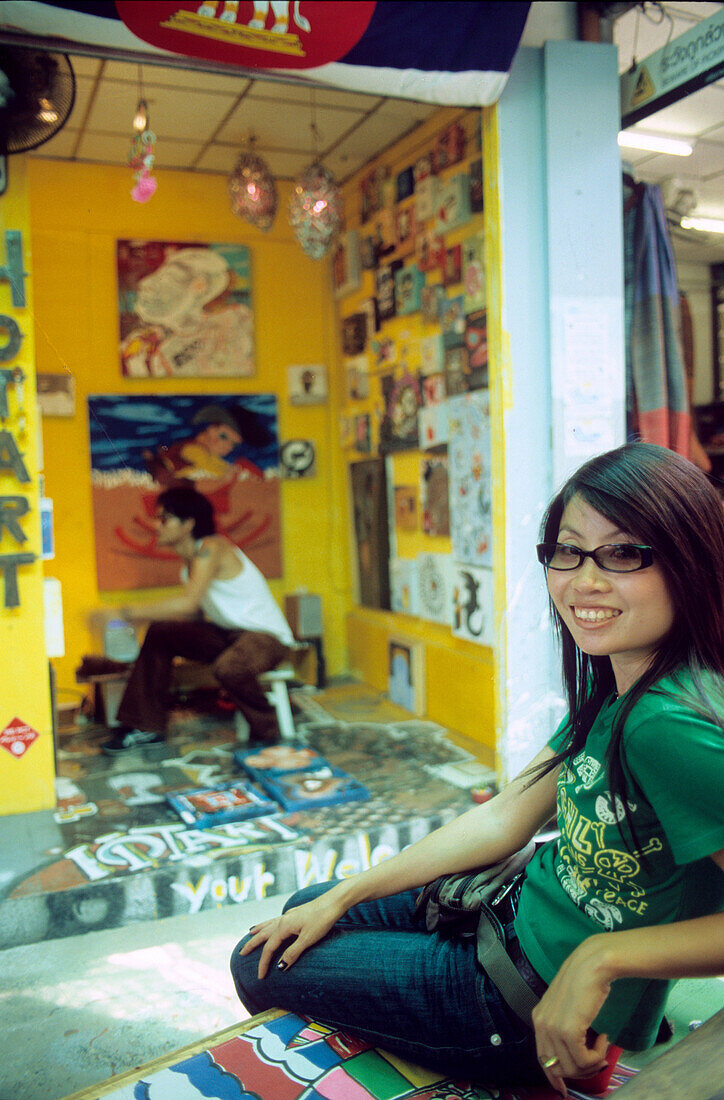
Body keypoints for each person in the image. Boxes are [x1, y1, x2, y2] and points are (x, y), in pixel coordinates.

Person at [230, 443, 723, 1096]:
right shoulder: (622, 683)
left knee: (257, 964)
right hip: (507, 910)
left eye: (625, 553)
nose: (585, 581)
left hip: (516, 1003)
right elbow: (506, 815)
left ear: (690, 562)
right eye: (568, 550)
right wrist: (344, 895)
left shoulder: (667, 724)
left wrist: (599, 960)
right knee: (304, 911)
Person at [102, 486, 293, 755]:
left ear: (188, 523)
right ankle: (144, 726)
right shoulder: (188, 567)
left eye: (164, 518)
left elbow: (189, 601)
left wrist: (126, 612)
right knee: (162, 632)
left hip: (264, 637)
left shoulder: (212, 547)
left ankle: (270, 733)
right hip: (228, 635)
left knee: (229, 668)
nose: (156, 525)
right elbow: (193, 613)